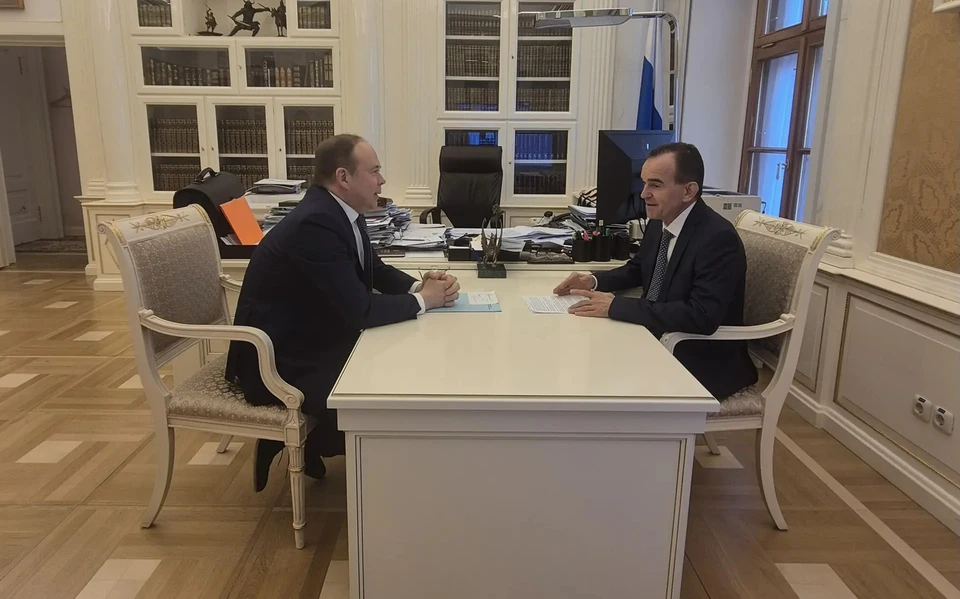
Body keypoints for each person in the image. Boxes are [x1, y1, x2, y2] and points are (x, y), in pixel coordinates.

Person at [225, 134, 460, 491]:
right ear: (343, 177)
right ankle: (318, 451)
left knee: (398, 365)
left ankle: (324, 445)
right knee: (384, 392)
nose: (382, 180)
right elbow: (360, 310)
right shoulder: (315, 224)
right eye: (375, 171)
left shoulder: (339, 211)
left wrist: (420, 286)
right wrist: (427, 301)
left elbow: (374, 269)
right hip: (277, 361)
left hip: (308, 336)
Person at [553, 142, 757, 400]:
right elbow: (638, 269)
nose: (643, 194)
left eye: (656, 185)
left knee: (597, 381)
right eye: (644, 183)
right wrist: (592, 280)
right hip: (654, 334)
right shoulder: (659, 221)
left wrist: (616, 306)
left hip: (698, 357)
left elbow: (701, 316)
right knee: (580, 358)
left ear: (688, 191)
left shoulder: (717, 238)